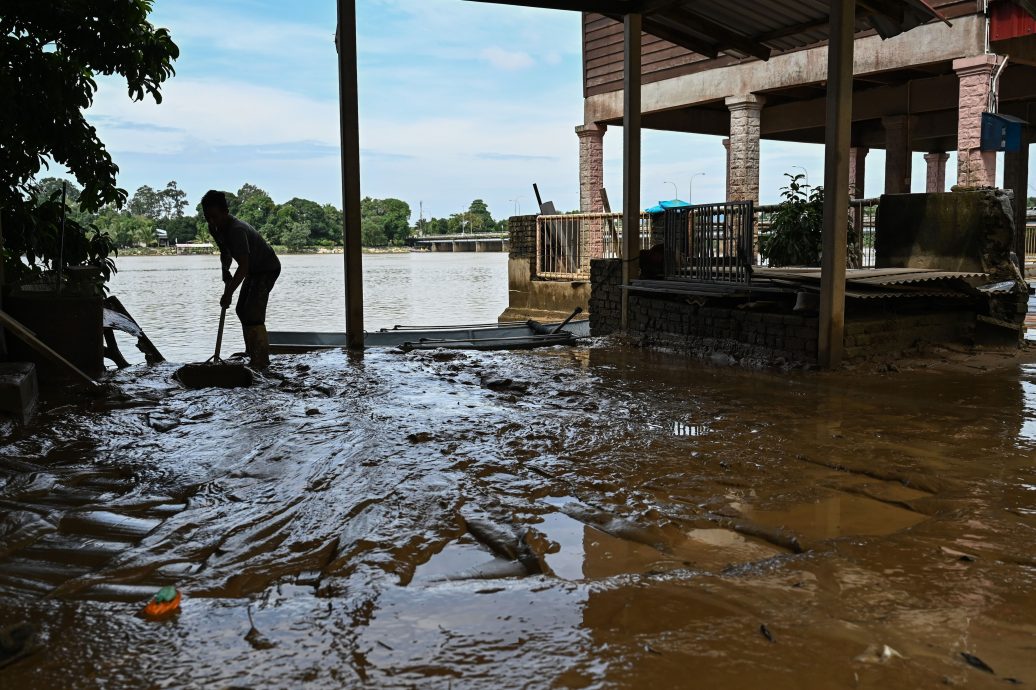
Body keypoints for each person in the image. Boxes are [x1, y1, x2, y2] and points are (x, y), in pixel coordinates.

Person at [201, 190, 281, 368]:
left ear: (225, 212)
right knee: (241, 310)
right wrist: (225, 271)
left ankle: (261, 359)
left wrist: (228, 293)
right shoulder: (214, 228)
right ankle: (250, 352)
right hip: (252, 269)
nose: (212, 222)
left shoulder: (237, 230)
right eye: (208, 217)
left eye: (215, 216)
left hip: (267, 268)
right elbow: (225, 252)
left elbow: (243, 267)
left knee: (253, 312)